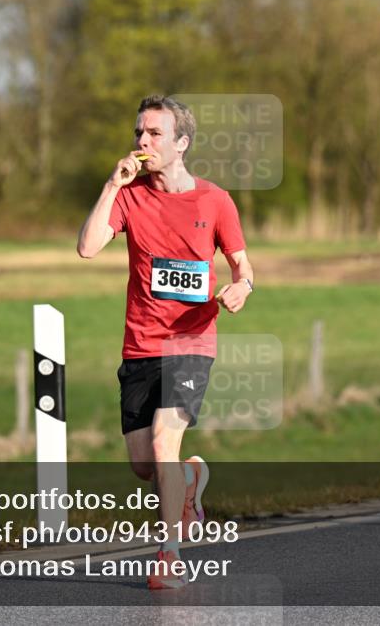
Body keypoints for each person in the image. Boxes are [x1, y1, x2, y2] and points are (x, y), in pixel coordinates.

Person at [77, 95, 253, 589]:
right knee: (143, 464)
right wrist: (113, 185)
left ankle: (168, 557)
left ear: (181, 144)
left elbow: (243, 266)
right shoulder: (129, 196)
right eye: (139, 133)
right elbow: (87, 248)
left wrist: (242, 287)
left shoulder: (215, 200)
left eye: (154, 134)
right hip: (140, 344)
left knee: (162, 440)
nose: (142, 142)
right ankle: (192, 481)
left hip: (192, 341)